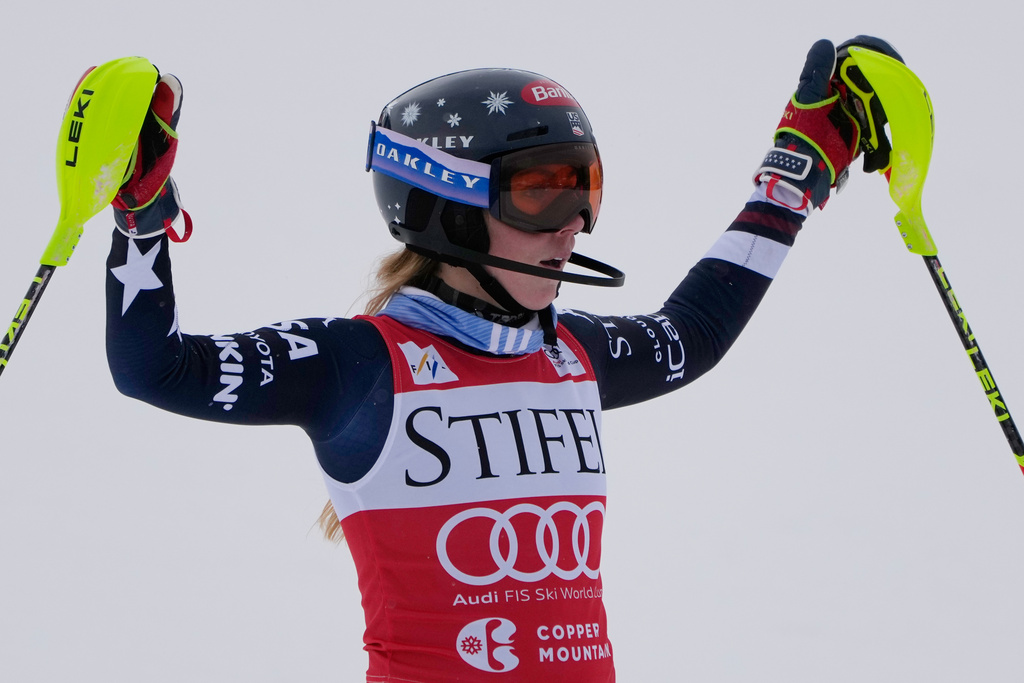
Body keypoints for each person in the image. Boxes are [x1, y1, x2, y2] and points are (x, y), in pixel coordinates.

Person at [105, 36, 900, 682]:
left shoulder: (572, 353)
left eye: (586, 187)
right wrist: (141, 220)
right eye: (542, 193)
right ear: (447, 207)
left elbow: (692, 334)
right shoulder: (358, 364)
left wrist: (795, 170)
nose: (575, 223)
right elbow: (157, 368)